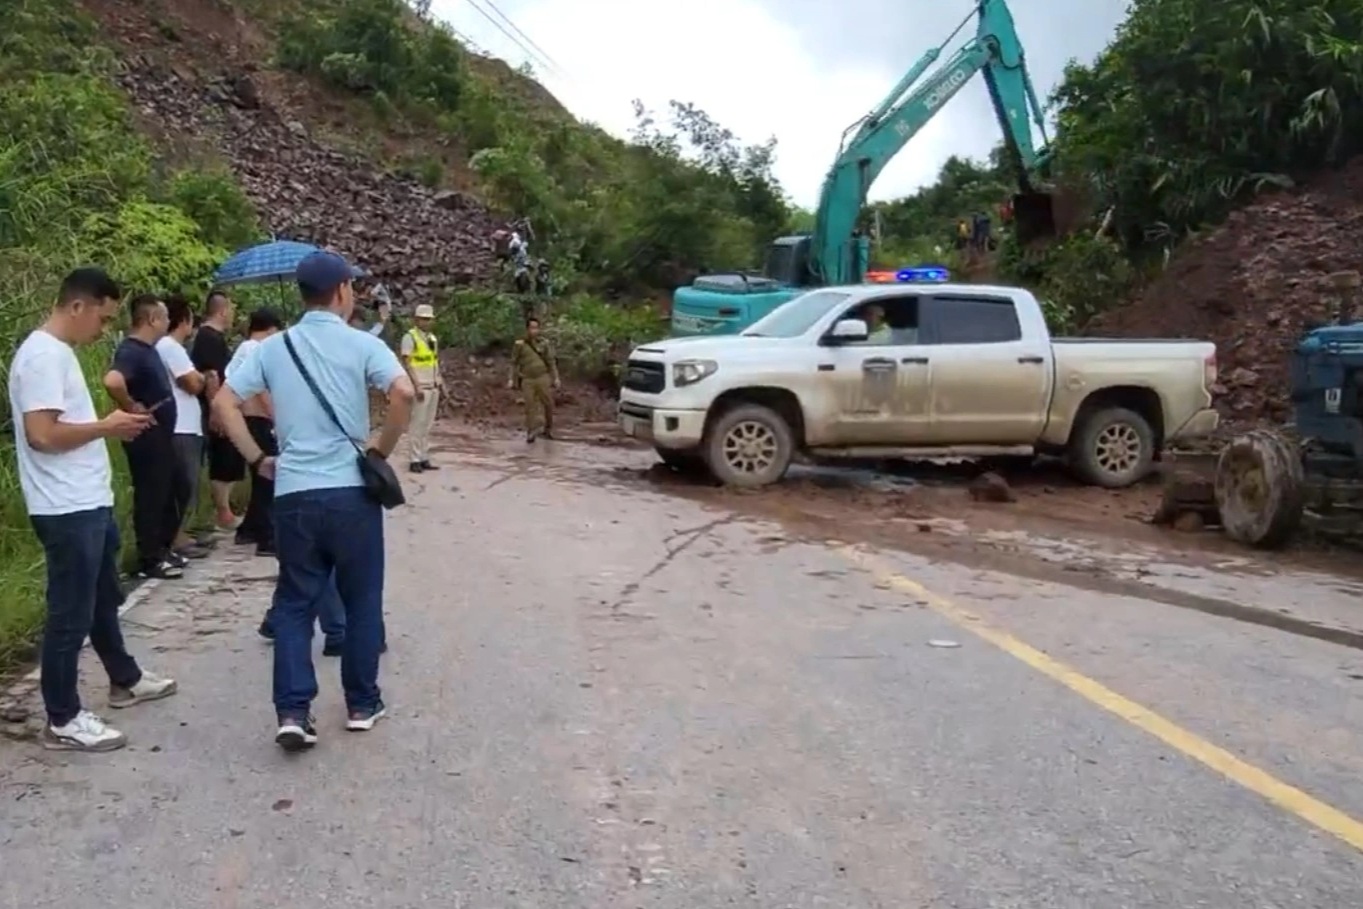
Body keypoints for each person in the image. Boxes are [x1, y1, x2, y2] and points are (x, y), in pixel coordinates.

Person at [214, 250, 414, 751]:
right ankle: (362, 703)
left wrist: (259, 459)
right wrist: (379, 450)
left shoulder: (271, 349)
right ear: (344, 290)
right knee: (362, 597)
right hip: (351, 494)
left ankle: (293, 712)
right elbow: (404, 394)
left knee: (296, 602)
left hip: (294, 494)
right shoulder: (361, 344)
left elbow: (222, 403)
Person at [9, 267, 177, 752]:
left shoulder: (58, 354)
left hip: (87, 500)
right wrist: (106, 427)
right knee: (71, 611)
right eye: (102, 318)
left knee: (103, 597)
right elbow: (42, 435)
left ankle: (124, 678)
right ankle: (63, 716)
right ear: (78, 306)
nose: (103, 330)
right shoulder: (42, 356)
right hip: (65, 507)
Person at [104, 294, 185, 579]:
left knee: (172, 488)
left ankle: (163, 547)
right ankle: (149, 557)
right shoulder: (131, 350)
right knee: (151, 494)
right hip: (146, 435)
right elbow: (113, 380)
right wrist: (130, 406)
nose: (167, 323)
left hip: (162, 432)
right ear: (152, 319)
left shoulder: (149, 349)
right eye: (164, 317)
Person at [223, 308, 284, 555]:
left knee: (261, 480)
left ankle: (249, 528)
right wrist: (276, 416)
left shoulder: (245, 349)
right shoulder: (254, 349)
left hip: (249, 419)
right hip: (255, 419)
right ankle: (267, 537)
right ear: (270, 330)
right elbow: (259, 389)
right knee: (267, 477)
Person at [155, 294, 210, 561]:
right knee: (184, 483)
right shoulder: (171, 347)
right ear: (184, 320)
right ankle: (176, 537)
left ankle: (181, 533)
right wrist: (203, 378)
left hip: (186, 425)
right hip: (182, 426)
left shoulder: (170, 348)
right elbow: (192, 383)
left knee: (187, 483)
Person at [191, 289, 243, 532]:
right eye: (231, 309)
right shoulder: (208, 337)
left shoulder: (216, 337)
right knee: (222, 458)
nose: (232, 314)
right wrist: (216, 409)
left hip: (225, 403)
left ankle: (226, 508)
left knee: (231, 457)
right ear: (222, 311)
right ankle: (222, 511)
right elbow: (211, 375)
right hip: (215, 406)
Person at [400, 303, 442, 472]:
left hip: (433, 385)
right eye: (423, 319)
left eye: (428, 319)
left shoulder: (431, 338)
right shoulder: (410, 337)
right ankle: (414, 458)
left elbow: (434, 361)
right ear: (416, 320)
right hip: (421, 385)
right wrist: (416, 385)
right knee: (417, 424)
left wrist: (440, 382)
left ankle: (424, 456)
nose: (426, 322)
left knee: (427, 424)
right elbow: (407, 362)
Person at [507, 316, 560, 443]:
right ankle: (531, 431)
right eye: (531, 328)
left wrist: (556, 377)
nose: (534, 331)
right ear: (527, 329)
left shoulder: (544, 343)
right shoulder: (520, 345)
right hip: (527, 379)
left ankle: (548, 429)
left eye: (536, 328)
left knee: (548, 404)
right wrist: (511, 379)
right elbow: (513, 363)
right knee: (530, 406)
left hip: (542, 377)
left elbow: (551, 362)